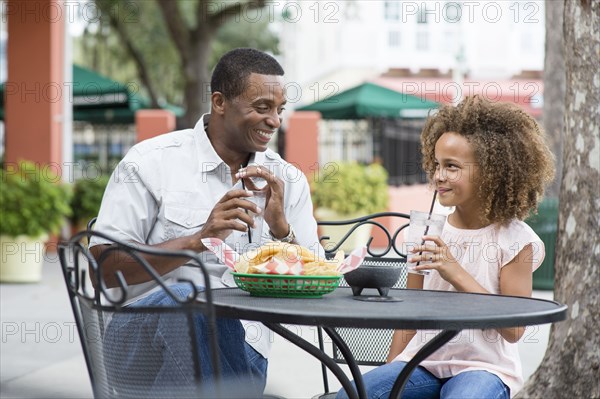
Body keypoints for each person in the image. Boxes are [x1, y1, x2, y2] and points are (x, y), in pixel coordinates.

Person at [89, 48, 323, 397]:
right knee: (190, 299)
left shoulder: (286, 180)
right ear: (220, 102)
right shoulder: (150, 163)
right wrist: (198, 239)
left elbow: (319, 281)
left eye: (279, 110)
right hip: (139, 346)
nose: (275, 121)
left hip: (244, 351)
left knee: (205, 333)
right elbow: (104, 268)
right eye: (262, 107)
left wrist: (281, 230)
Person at [336, 96, 555, 399]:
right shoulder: (426, 231)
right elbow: (409, 316)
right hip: (423, 361)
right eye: (436, 165)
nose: (438, 176)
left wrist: (455, 271)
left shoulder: (515, 240)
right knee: (353, 395)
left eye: (451, 167)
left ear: (491, 172)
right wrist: (393, 369)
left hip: (485, 367)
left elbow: (514, 330)